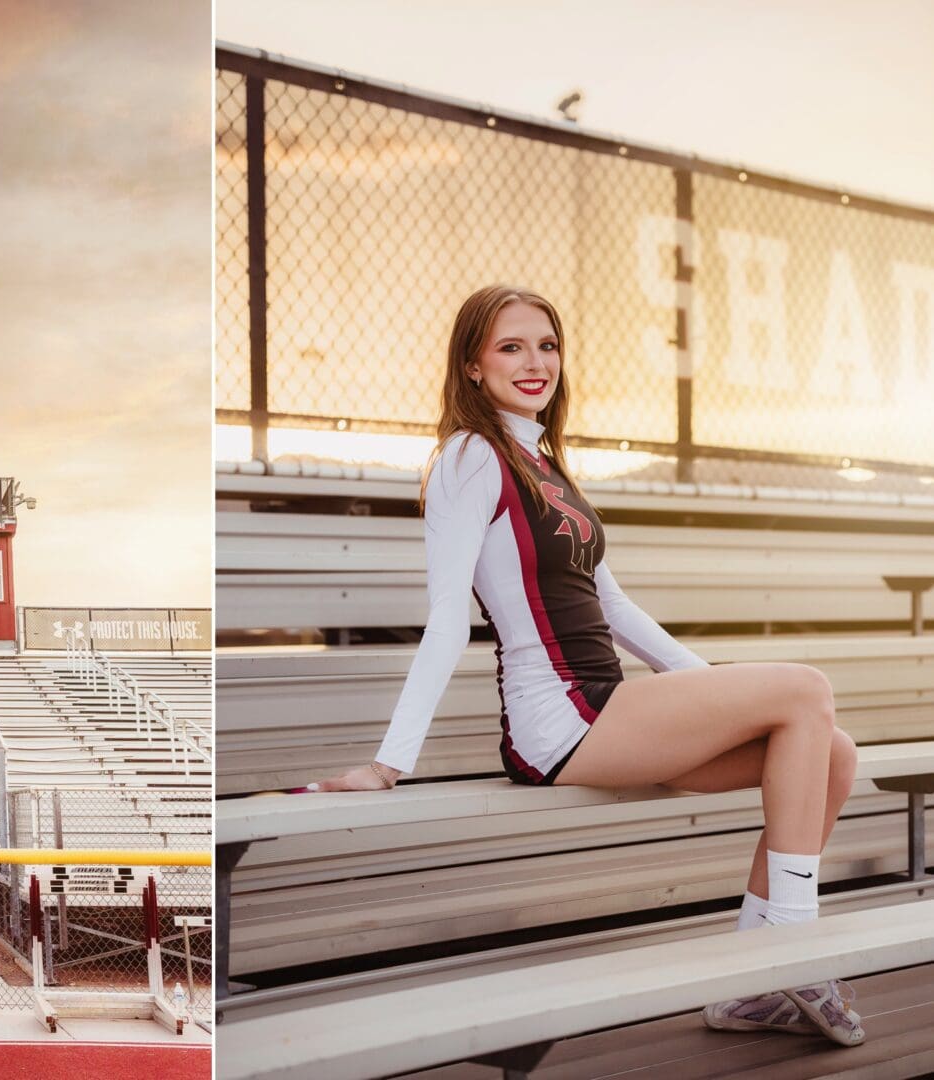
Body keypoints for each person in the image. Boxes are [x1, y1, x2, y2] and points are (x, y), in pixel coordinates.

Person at [307, 284, 863, 1047]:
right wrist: (389, 760)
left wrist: (714, 690)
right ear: (471, 365)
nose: (533, 362)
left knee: (828, 751)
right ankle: (795, 946)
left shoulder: (545, 462)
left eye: (546, 345)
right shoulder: (468, 458)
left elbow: (616, 608)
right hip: (558, 716)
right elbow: (445, 615)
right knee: (807, 690)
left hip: (606, 700)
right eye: (509, 347)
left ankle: (756, 986)